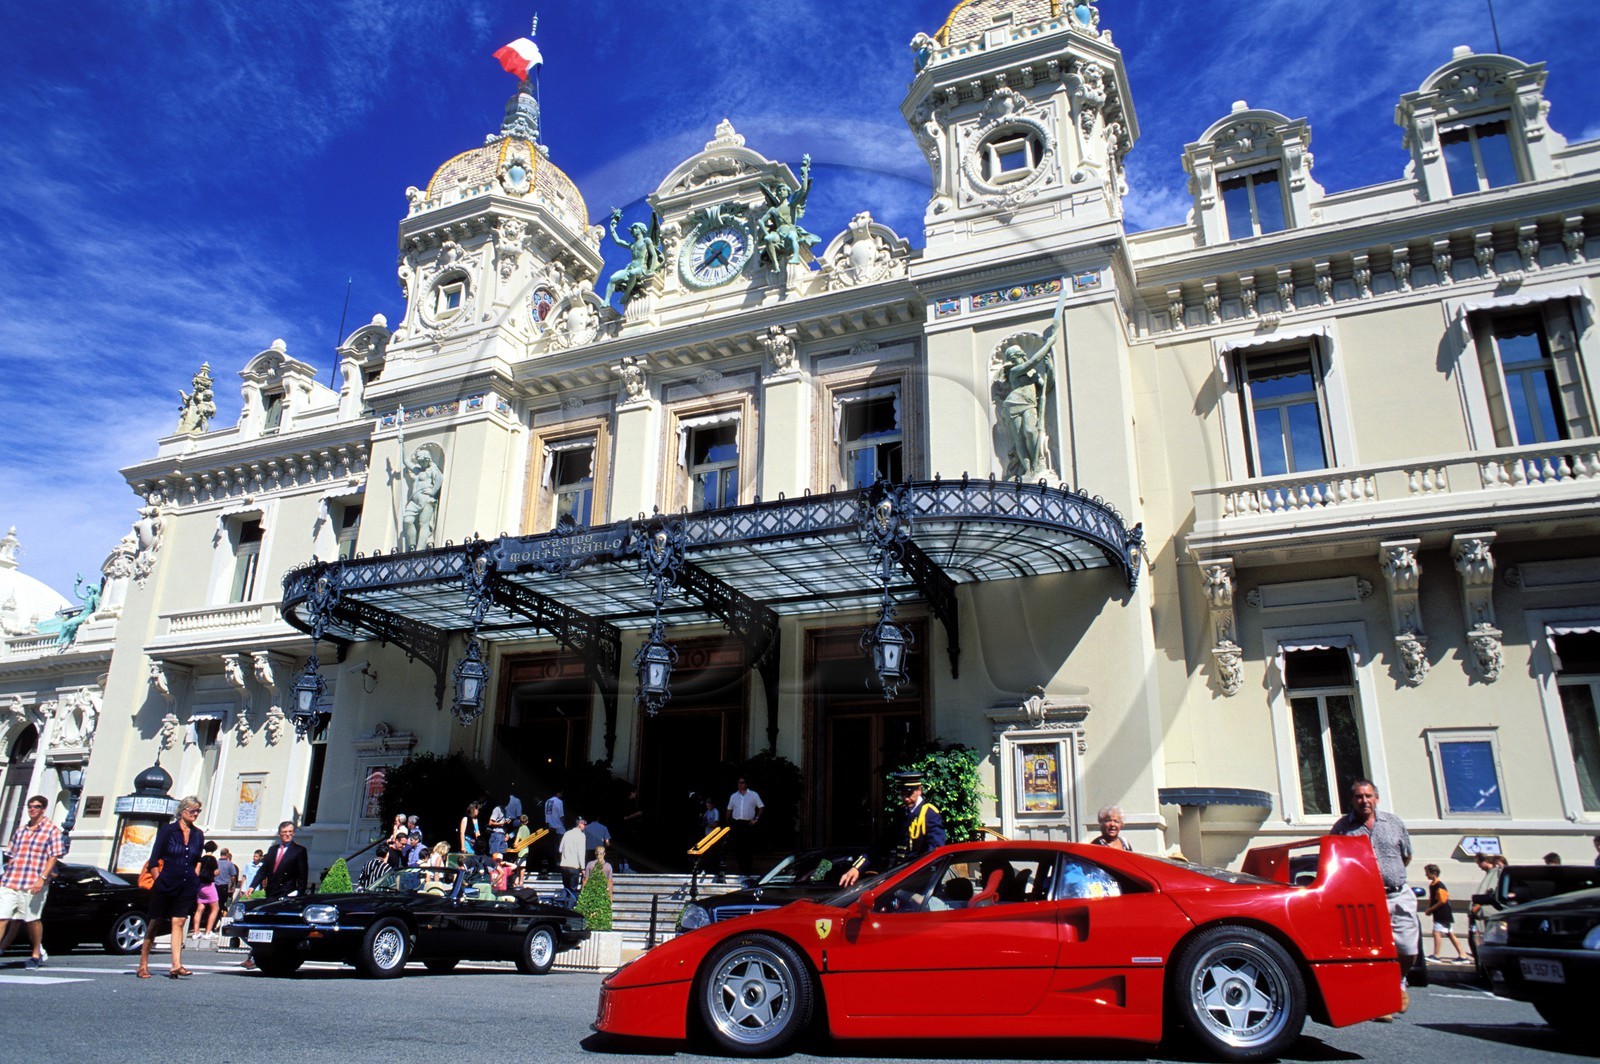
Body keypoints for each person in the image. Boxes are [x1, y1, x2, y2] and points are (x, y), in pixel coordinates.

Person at [1332, 779, 1414, 1019]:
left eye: (1368, 796)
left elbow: (1406, 855)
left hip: (1397, 893)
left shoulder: (1393, 823)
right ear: (1352, 800)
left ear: (1376, 798)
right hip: (1364, 899)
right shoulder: (1342, 828)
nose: (1364, 801)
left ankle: (1400, 981)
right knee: (1371, 952)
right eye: (1359, 797)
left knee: (1407, 947)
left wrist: (1390, 876)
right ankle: (1381, 1000)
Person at [839, 772, 947, 888]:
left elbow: (935, 851)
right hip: (900, 878)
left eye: (909, 794)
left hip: (921, 883)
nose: (906, 799)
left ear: (920, 790)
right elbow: (881, 846)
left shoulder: (929, 814)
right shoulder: (901, 814)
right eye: (902, 794)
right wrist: (857, 868)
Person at [137, 795, 205, 979]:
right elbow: (154, 860)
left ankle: (176, 965)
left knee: (179, 921)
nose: (195, 814)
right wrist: (158, 881)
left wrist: (195, 877)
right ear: (182, 811)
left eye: (198, 811)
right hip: (166, 882)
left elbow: (197, 859)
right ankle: (143, 964)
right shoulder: (168, 831)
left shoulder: (198, 834)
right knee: (155, 921)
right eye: (192, 811)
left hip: (187, 883)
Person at [0, 794, 66, 968]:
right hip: (12, 880)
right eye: (29, 806)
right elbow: (11, 855)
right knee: (2, 917)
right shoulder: (21, 830)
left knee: (32, 920)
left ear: (43, 809)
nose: (32, 809)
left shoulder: (51, 830)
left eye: (36, 806)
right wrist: (3, 877)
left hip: (33, 882)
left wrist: (42, 877)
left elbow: (54, 856)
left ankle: (36, 953)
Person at [240, 821, 308, 970]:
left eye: (290, 832)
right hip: (272, 893)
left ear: (294, 833)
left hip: (287, 894)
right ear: (280, 834)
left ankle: (262, 955)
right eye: (284, 832)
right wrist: (252, 886)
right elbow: (263, 871)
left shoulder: (299, 850)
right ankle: (255, 955)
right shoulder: (272, 850)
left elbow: (303, 875)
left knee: (279, 926)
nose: (287, 834)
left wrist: (300, 895)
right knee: (265, 924)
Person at [1423, 864, 1467, 961]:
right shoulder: (1434, 885)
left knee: (1436, 933)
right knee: (1449, 933)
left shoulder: (1439, 885)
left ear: (1434, 873)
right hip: (1442, 913)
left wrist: (1431, 909)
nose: (1426, 874)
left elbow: (1442, 900)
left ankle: (1437, 955)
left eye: (1427, 872)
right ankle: (1462, 954)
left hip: (1441, 913)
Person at [726, 778, 764, 876]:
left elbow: (761, 806)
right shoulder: (733, 796)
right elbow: (729, 809)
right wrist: (728, 822)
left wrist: (756, 818)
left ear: (746, 784)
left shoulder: (753, 795)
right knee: (738, 847)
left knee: (747, 846)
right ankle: (741, 868)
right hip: (737, 823)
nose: (740, 784)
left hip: (748, 823)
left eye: (742, 783)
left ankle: (748, 868)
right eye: (739, 782)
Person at [191, 840, 221, 941]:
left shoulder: (201, 859)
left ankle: (196, 932)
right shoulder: (213, 859)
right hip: (209, 885)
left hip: (200, 885)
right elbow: (216, 872)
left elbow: (196, 871)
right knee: (215, 908)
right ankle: (208, 932)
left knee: (200, 908)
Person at [560, 816, 589, 894]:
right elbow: (581, 853)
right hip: (574, 865)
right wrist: (583, 868)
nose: (585, 826)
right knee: (573, 889)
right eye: (585, 825)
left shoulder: (566, 833)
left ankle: (563, 904)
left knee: (566, 888)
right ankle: (570, 905)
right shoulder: (582, 836)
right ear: (580, 824)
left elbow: (560, 849)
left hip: (564, 865)